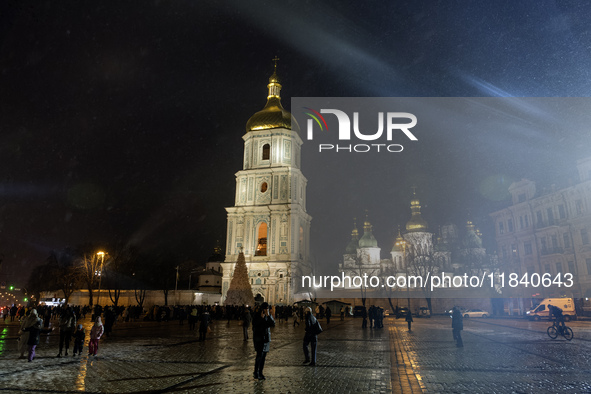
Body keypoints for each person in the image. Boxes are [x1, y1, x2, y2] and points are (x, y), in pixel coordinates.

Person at [252, 302, 275, 380]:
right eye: (266, 308)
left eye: (268, 308)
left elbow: (272, 324)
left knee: (263, 357)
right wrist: (262, 319)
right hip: (259, 339)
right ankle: (256, 373)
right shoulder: (257, 315)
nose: (267, 310)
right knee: (259, 356)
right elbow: (256, 326)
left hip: (266, 339)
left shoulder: (268, 316)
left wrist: (268, 316)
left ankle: (260, 372)